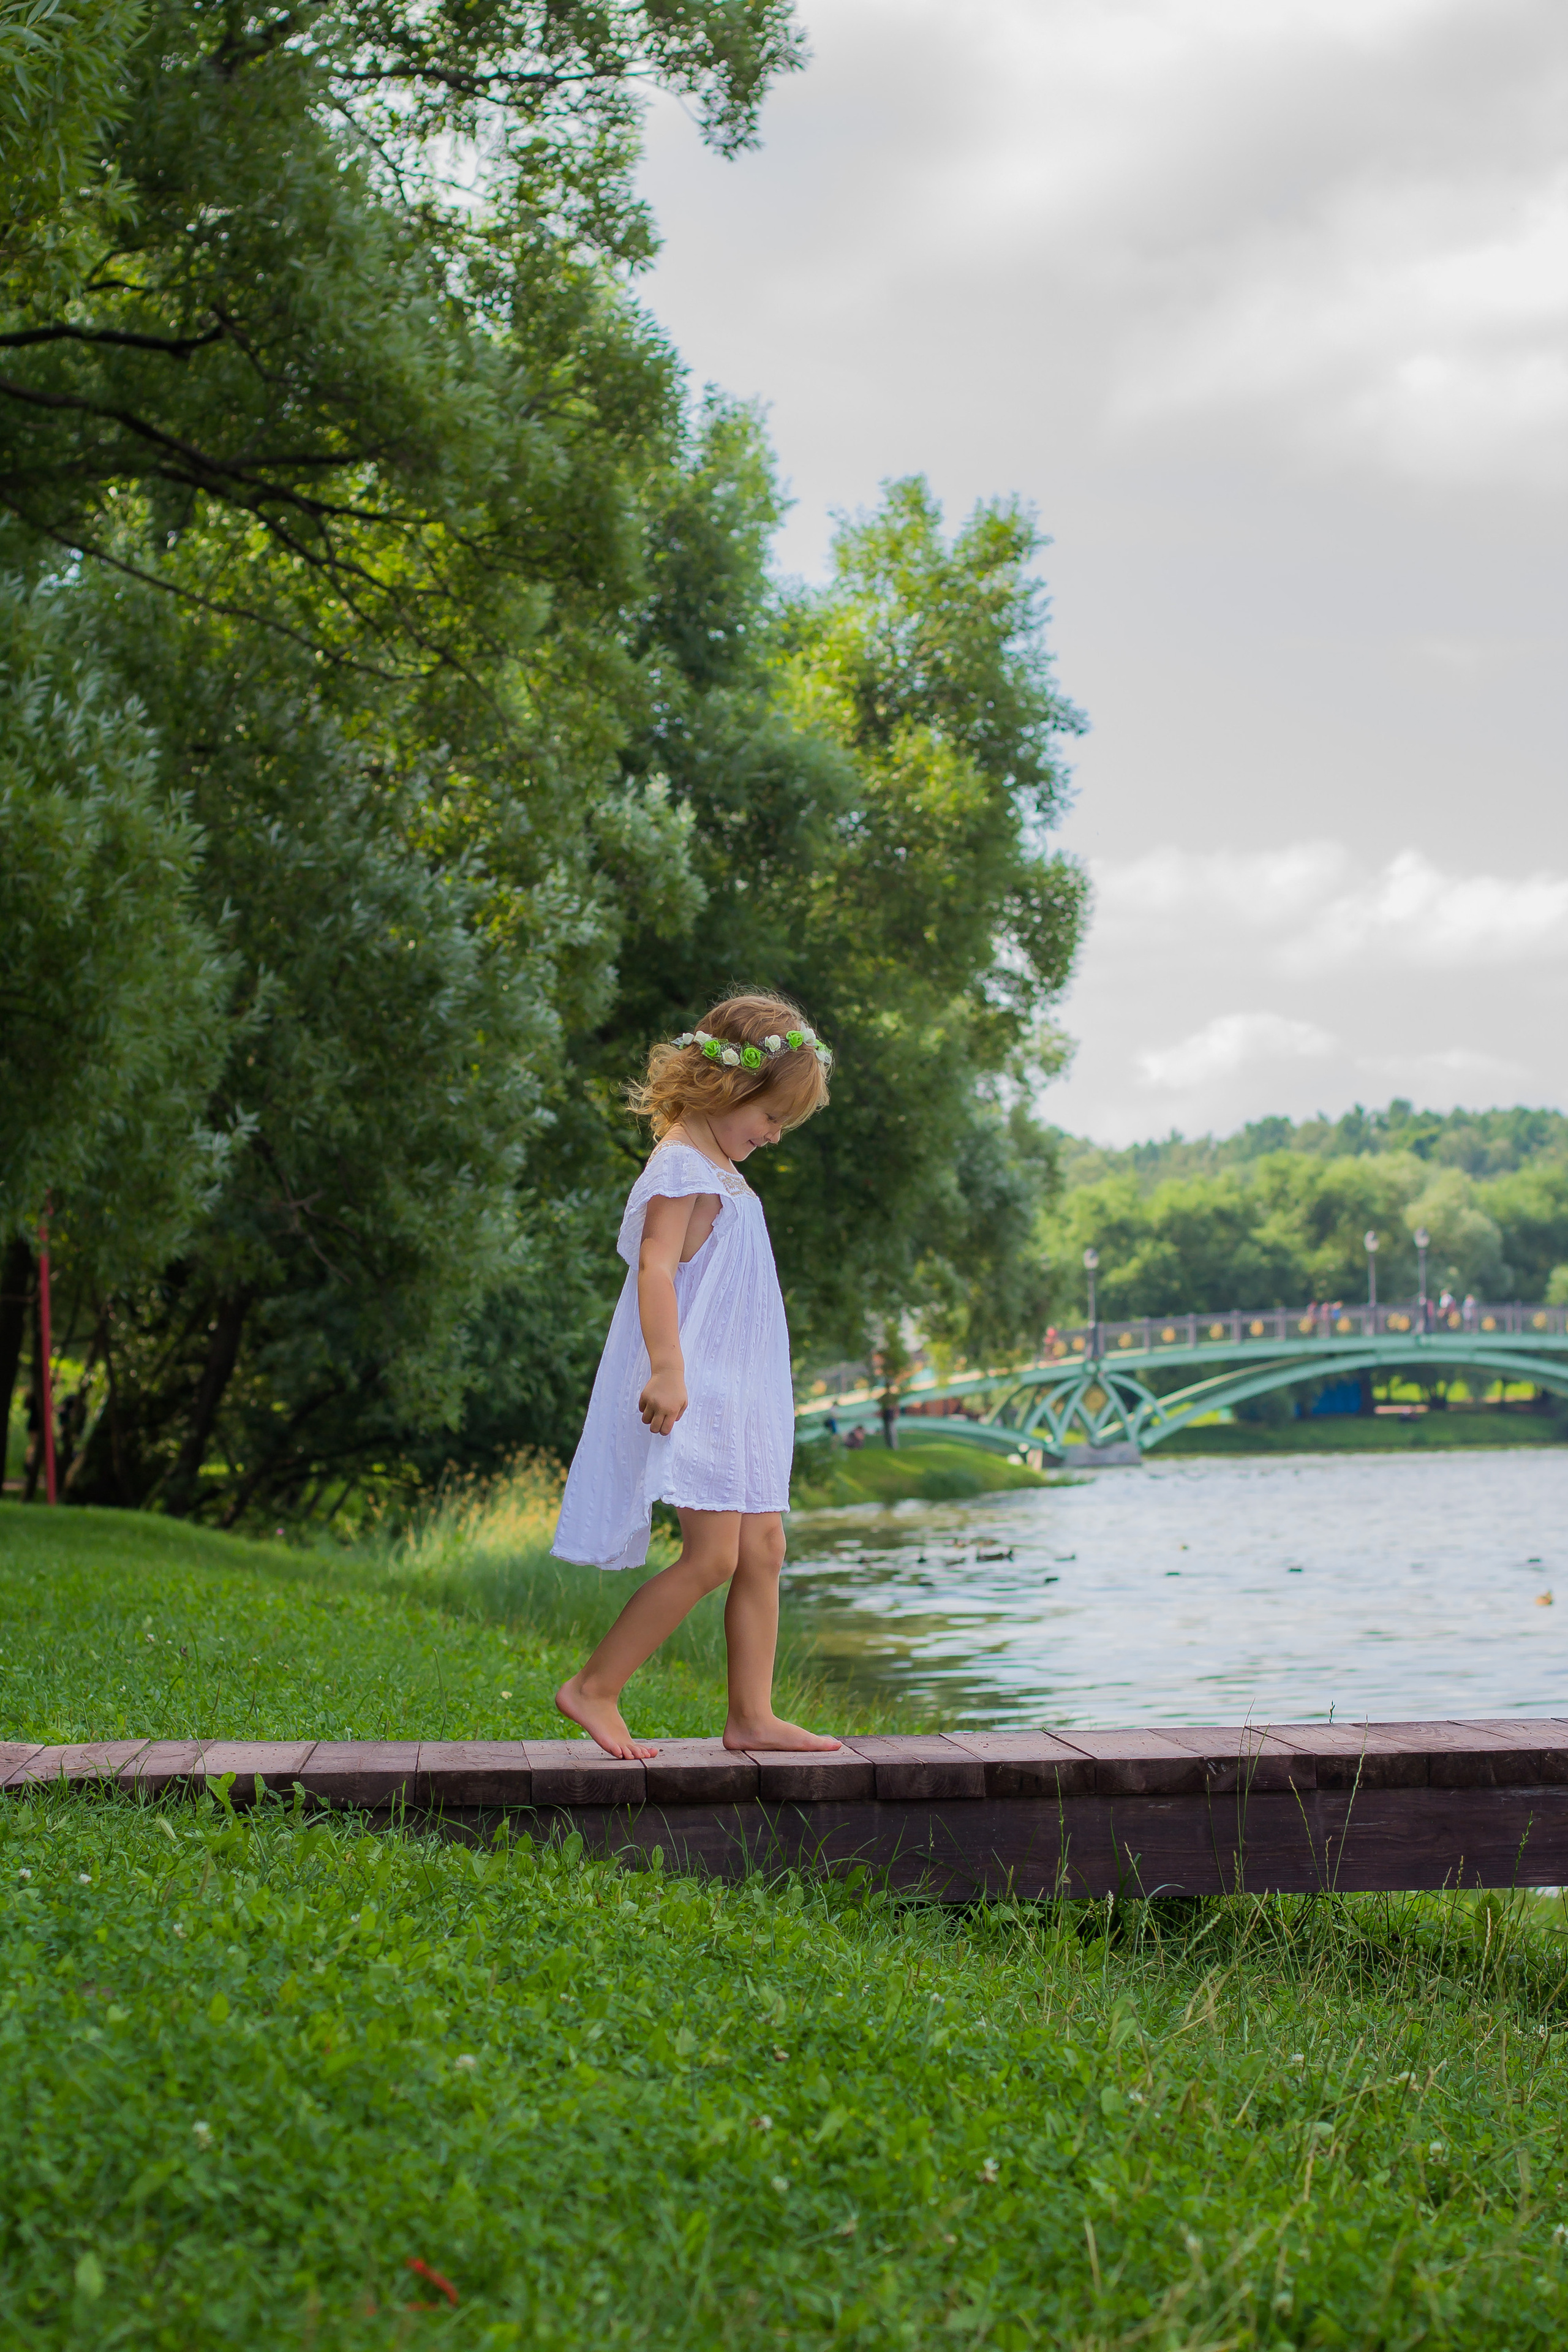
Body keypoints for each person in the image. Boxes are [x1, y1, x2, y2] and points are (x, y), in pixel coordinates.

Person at [552, 994, 842, 1763]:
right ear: (728, 1088)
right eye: (771, 1118)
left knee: (765, 1548)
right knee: (712, 1556)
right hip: (702, 1388)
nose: (775, 1136)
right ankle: (595, 1688)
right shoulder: (680, 1161)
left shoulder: (717, 1162)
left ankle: (751, 1715)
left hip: (746, 1393)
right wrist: (669, 1369)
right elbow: (654, 1267)